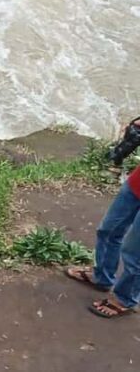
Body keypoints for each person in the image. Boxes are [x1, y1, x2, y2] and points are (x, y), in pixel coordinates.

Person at [66, 117, 140, 318]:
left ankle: (125, 299)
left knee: (134, 253)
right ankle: (102, 276)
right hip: (137, 184)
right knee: (109, 229)